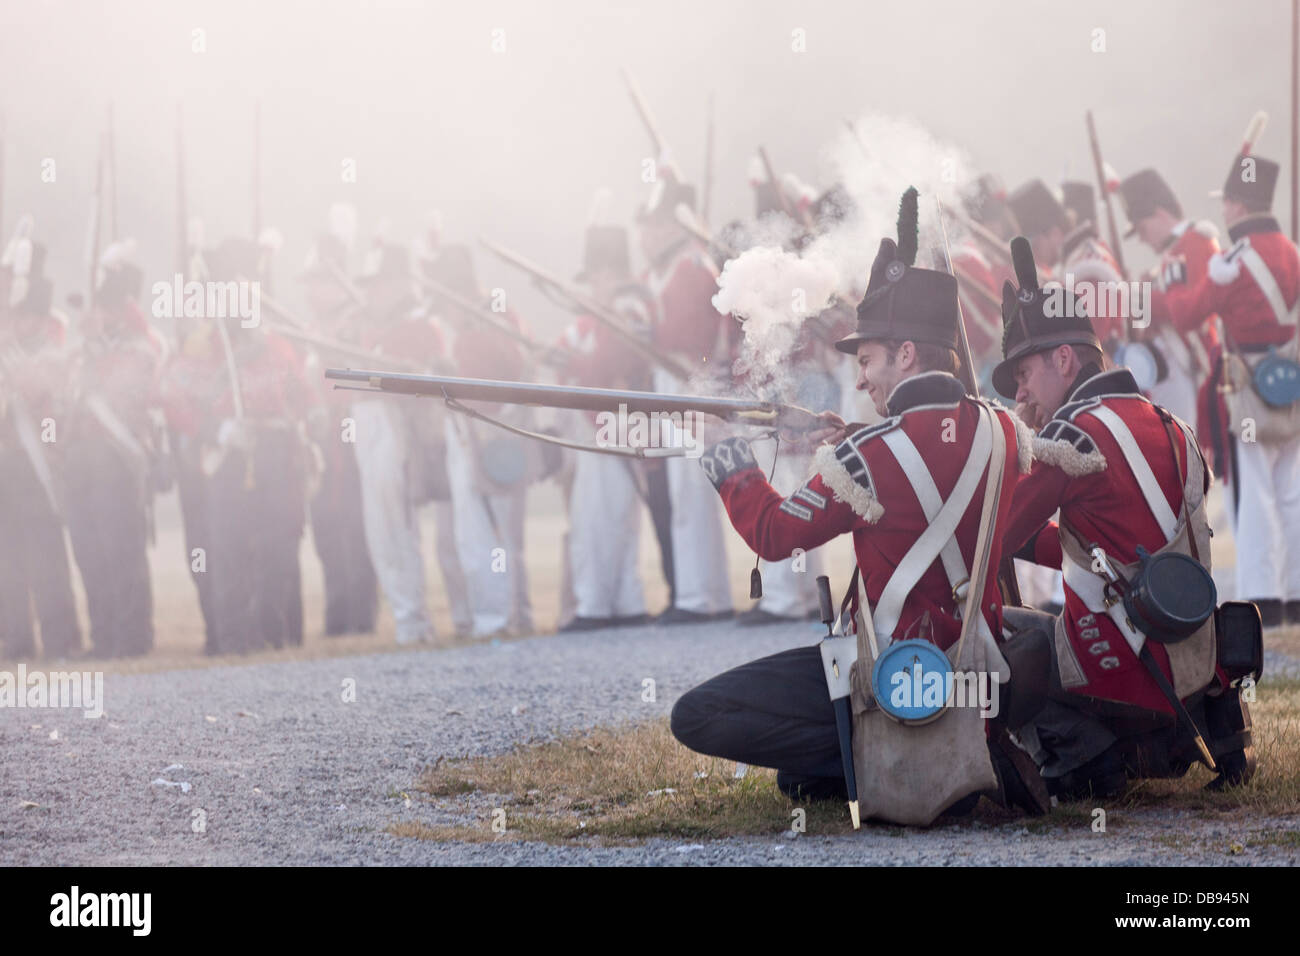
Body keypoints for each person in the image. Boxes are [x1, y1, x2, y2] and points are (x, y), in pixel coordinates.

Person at [671, 191, 1040, 812]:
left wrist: (730, 457)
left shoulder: (867, 456)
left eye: (867, 359)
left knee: (699, 715)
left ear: (905, 354)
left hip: (897, 670)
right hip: (981, 670)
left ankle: (878, 750)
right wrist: (853, 443)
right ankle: (963, 745)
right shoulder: (1004, 432)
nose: (861, 378)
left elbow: (774, 533)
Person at [994, 235, 1254, 796]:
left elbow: (995, 532)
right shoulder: (1170, 423)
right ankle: (1200, 732)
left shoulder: (1069, 435)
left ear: (1063, 359)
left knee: (999, 635)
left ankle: (1082, 755)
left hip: (1118, 677)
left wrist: (1009, 446)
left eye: (1023, 374)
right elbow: (1110, 543)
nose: (1022, 391)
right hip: (1187, 672)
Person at [1160, 151, 1300, 629]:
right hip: (1290, 384)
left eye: (1229, 204)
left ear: (1239, 206)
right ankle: (1297, 592)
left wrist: (1173, 284)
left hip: (1246, 389)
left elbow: (1187, 314)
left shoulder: (1231, 262)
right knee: (1293, 492)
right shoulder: (1292, 251)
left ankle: (1264, 595)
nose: (1224, 212)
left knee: (1254, 495)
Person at [637, 172, 734, 624]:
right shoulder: (671, 268)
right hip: (673, 381)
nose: (650, 232)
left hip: (689, 381)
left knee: (691, 491)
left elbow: (691, 335)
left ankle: (700, 597)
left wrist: (650, 333)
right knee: (683, 490)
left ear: (677, 224)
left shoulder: (693, 266)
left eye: (658, 223)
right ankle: (702, 592)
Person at [62, 241, 165, 658]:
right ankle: (103, 635)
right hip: (82, 459)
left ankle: (132, 636)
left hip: (119, 460)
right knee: (89, 549)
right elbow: (64, 397)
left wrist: (93, 356)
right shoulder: (85, 348)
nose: (98, 314)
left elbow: (132, 390)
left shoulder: (144, 342)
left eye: (106, 306)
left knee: (122, 549)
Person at [553, 206, 651, 630]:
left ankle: (598, 604)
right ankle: (618, 601)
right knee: (600, 516)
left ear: (612, 274)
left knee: (602, 518)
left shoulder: (628, 314)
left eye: (598, 276)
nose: (593, 286)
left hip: (614, 426)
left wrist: (574, 363)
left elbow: (606, 367)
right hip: (602, 426)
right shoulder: (594, 322)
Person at [433, 243, 535, 638]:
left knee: (491, 533)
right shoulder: (469, 323)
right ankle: (509, 614)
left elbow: (512, 368)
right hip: (470, 428)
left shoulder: (492, 315)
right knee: (481, 531)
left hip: (491, 430)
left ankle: (497, 619)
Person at [0, 236, 82, 658]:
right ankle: (14, 642)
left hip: (38, 470)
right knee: (8, 562)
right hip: (6, 470)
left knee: (47, 561)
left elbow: (54, 420)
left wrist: (26, 393)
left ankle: (61, 641)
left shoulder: (53, 356)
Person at [300, 227, 379, 636]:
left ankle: (359, 618)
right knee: (327, 528)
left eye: (319, 281)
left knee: (354, 526)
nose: (313, 290)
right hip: (321, 435)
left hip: (350, 434)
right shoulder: (314, 326)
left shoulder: (358, 323)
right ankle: (337, 615)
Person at [1116, 168, 1223, 440]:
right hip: (1176, 371)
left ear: (1160, 213)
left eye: (1142, 228)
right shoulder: (1173, 252)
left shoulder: (1197, 240)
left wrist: (1142, 299)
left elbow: (1195, 307)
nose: (1141, 238)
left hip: (1196, 366)